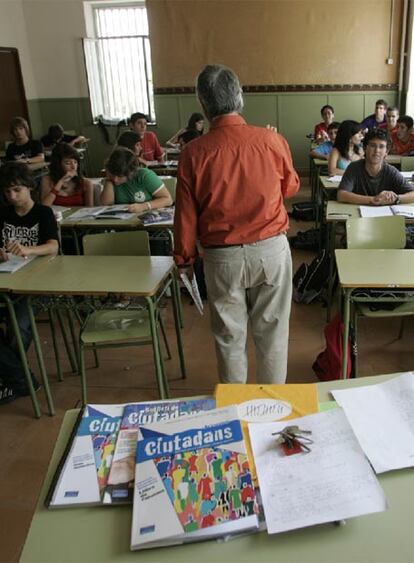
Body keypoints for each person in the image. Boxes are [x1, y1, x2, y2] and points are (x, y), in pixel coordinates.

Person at [174, 64, 300, 385]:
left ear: (203, 103)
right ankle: (273, 413)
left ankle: (237, 413)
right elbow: (291, 188)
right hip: (270, 250)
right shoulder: (271, 141)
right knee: (272, 335)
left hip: (222, 258)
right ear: (240, 97)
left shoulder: (192, 153)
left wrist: (184, 260)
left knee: (229, 339)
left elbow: (185, 214)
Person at [0, 162, 59, 403]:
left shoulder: (43, 213)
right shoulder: (3, 214)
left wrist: (28, 249)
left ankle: (11, 379)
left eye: (17, 190)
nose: (12, 196)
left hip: (39, 284)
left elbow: (54, 246)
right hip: (8, 280)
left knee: (20, 324)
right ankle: (20, 379)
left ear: (29, 187)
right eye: (7, 192)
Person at [337, 128, 414, 205]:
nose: (377, 150)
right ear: (365, 148)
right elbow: (341, 195)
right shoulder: (354, 168)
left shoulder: (391, 171)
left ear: (386, 152)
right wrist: (374, 199)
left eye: (381, 147)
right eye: (373, 145)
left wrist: (396, 198)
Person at [101, 147, 172, 213]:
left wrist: (144, 206)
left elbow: (168, 199)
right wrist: (108, 179)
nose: (115, 179)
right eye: (113, 174)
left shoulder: (144, 175)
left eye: (120, 176)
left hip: (146, 217)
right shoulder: (111, 179)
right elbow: (107, 205)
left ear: (131, 173)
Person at [41, 143, 94, 207]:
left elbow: (90, 210)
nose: (73, 167)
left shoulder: (86, 183)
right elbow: (44, 207)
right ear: (58, 165)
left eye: (75, 162)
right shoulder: (47, 180)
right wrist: (60, 182)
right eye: (68, 163)